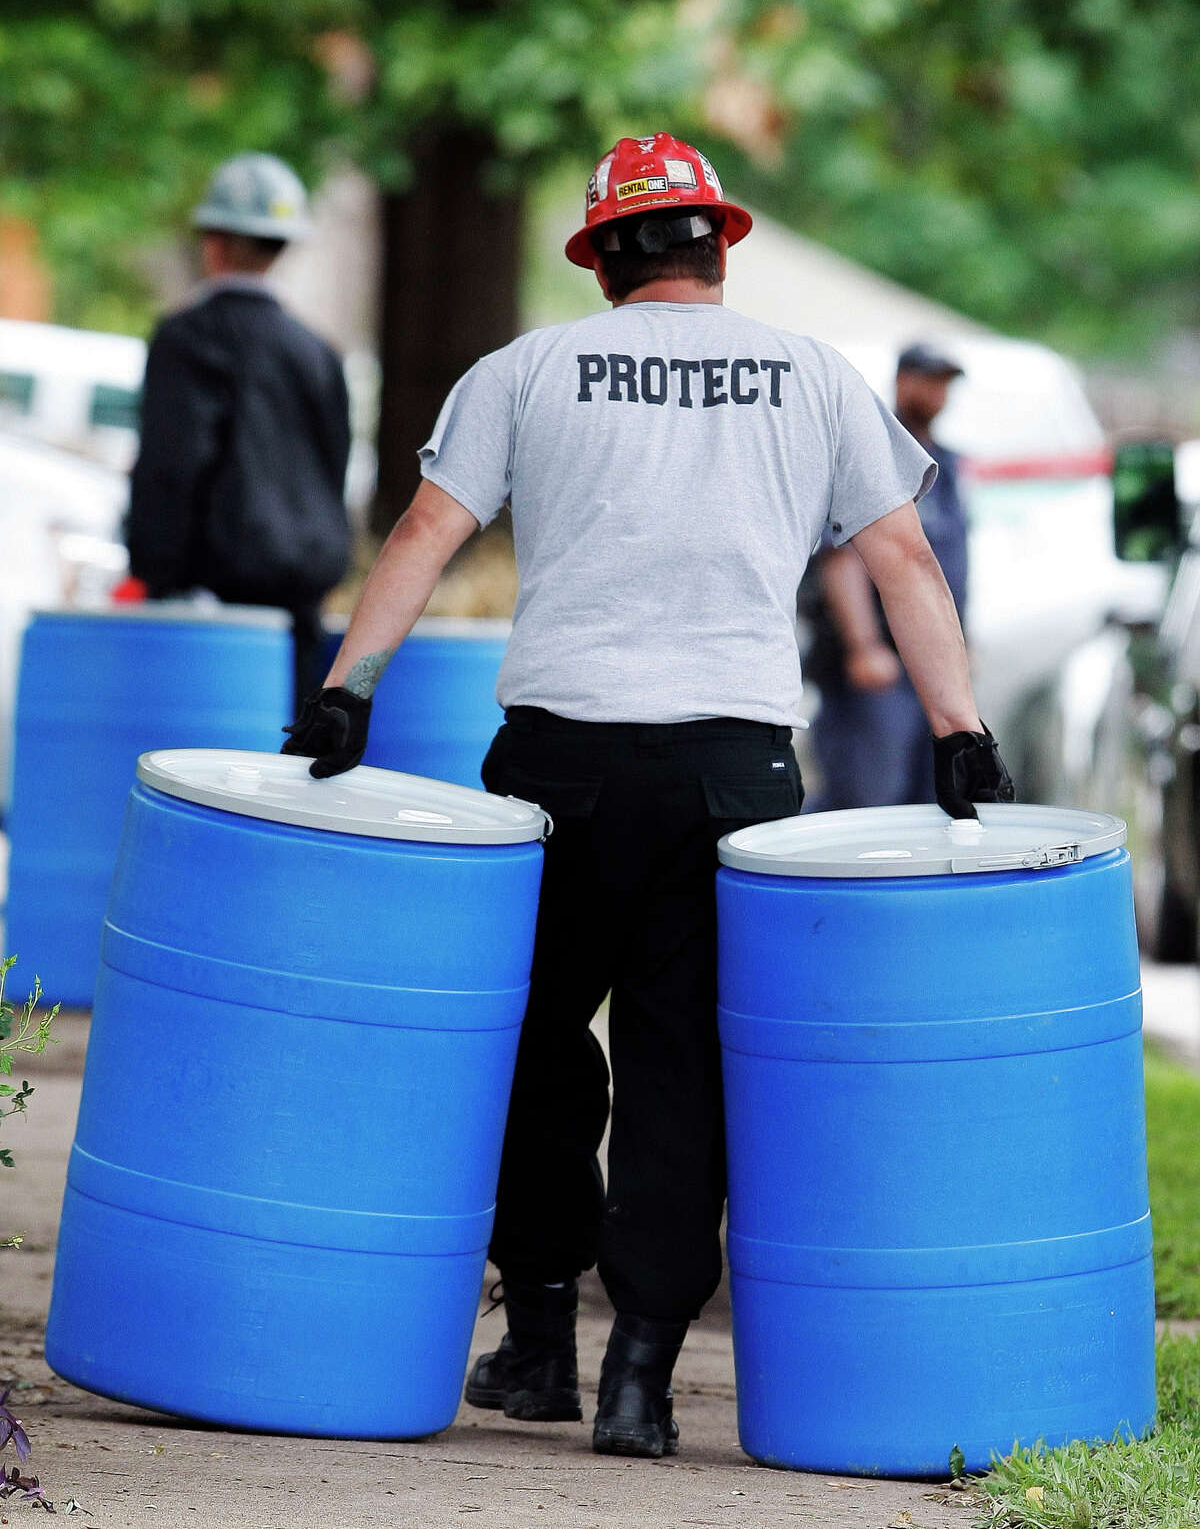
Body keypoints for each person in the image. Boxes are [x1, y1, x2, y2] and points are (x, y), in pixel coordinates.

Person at [281, 133, 1013, 1459]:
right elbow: (902, 558)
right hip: (735, 774)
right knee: (682, 1061)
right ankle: (641, 1375)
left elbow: (424, 531)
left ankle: (538, 1336)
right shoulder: (816, 376)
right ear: (718, 243)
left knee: (534, 1040)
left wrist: (348, 693)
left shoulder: (528, 369)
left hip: (558, 765)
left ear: (602, 259)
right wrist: (959, 731)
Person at [126, 152, 352, 707]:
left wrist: (155, 570)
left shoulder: (187, 338)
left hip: (209, 609)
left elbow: (172, 464)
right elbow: (335, 464)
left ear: (215, 242)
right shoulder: (317, 352)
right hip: (301, 605)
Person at [804, 341, 970, 809]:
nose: (937, 394)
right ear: (902, 380)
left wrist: (962, 645)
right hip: (879, 668)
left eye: (944, 384)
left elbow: (954, 562)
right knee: (866, 802)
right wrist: (864, 646)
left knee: (930, 803)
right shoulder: (871, 446)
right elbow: (842, 559)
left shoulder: (948, 464)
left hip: (926, 667)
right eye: (929, 381)